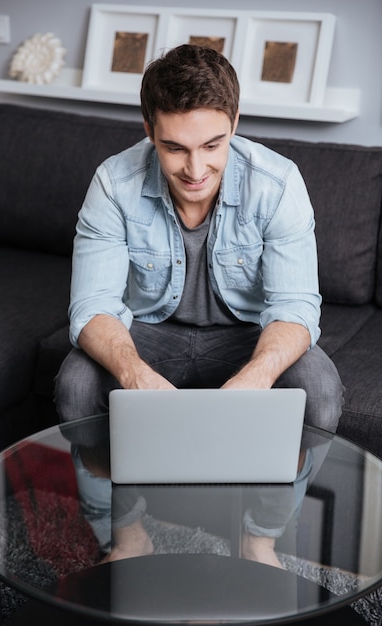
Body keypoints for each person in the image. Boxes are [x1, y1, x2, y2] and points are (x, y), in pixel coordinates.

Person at [55, 44, 344, 565]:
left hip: (245, 337)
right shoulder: (113, 183)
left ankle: (258, 540)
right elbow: (92, 305)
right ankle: (127, 534)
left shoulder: (278, 184)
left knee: (320, 391)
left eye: (213, 144)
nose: (195, 168)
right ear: (148, 128)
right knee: (76, 383)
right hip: (148, 332)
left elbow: (296, 307)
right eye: (175, 148)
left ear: (235, 121)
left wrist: (256, 377)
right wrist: (133, 373)